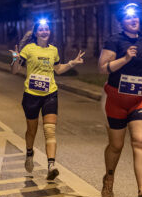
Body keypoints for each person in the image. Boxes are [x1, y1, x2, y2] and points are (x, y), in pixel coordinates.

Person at [98, 3, 142, 197]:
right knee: (116, 145)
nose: (134, 20)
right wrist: (125, 59)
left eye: (136, 17)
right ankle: (108, 180)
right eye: (129, 18)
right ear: (121, 21)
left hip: (140, 98)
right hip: (115, 99)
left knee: (141, 141)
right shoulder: (114, 41)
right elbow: (102, 68)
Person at [10, 18, 85, 180]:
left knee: (49, 130)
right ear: (36, 33)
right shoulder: (28, 49)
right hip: (31, 95)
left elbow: (57, 69)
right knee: (32, 130)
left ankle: (51, 165)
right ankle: (29, 152)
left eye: (47, 29)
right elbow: (15, 71)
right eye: (41, 29)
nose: (45, 32)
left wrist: (72, 63)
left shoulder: (53, 50)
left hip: (50, 94)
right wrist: (15, 58)